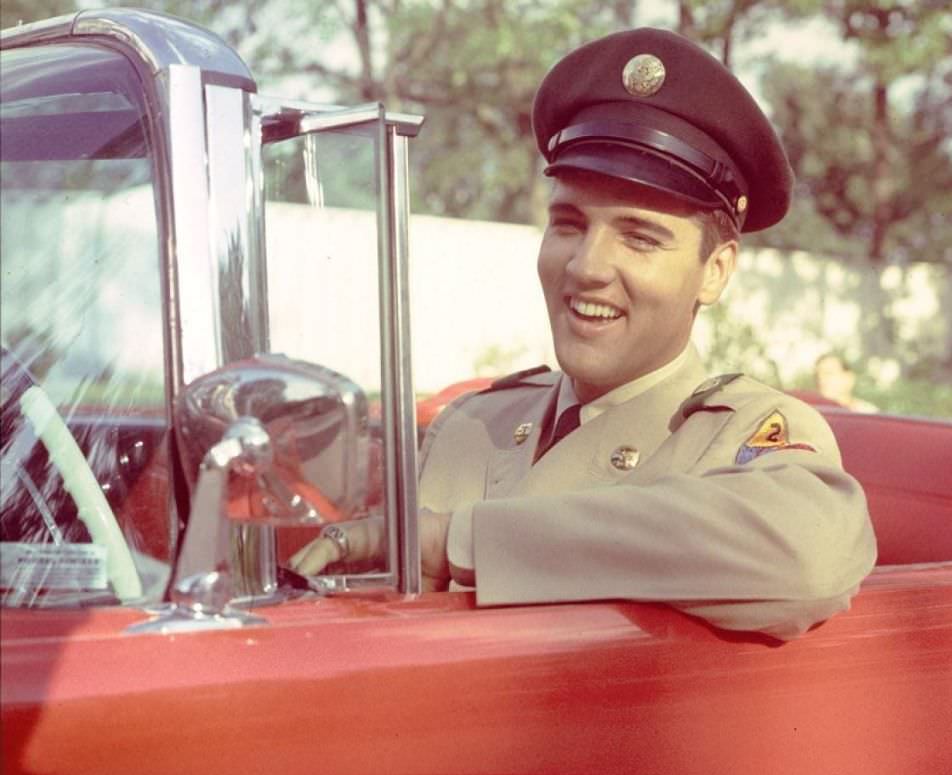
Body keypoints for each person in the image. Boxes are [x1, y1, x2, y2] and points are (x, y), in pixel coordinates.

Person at [291, 27, 877, 640]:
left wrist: (455, 541)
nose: (587, 267)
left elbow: (808, 553)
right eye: (568, 224)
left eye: (639, 236)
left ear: (715, 271)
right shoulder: (471, 424)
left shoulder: (736, 432)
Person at [814, 352, 879, 413]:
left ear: (848, 378)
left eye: (828, 373)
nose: (821, 380)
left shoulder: (868, 413)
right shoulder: (812, 413)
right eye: (817, 376)